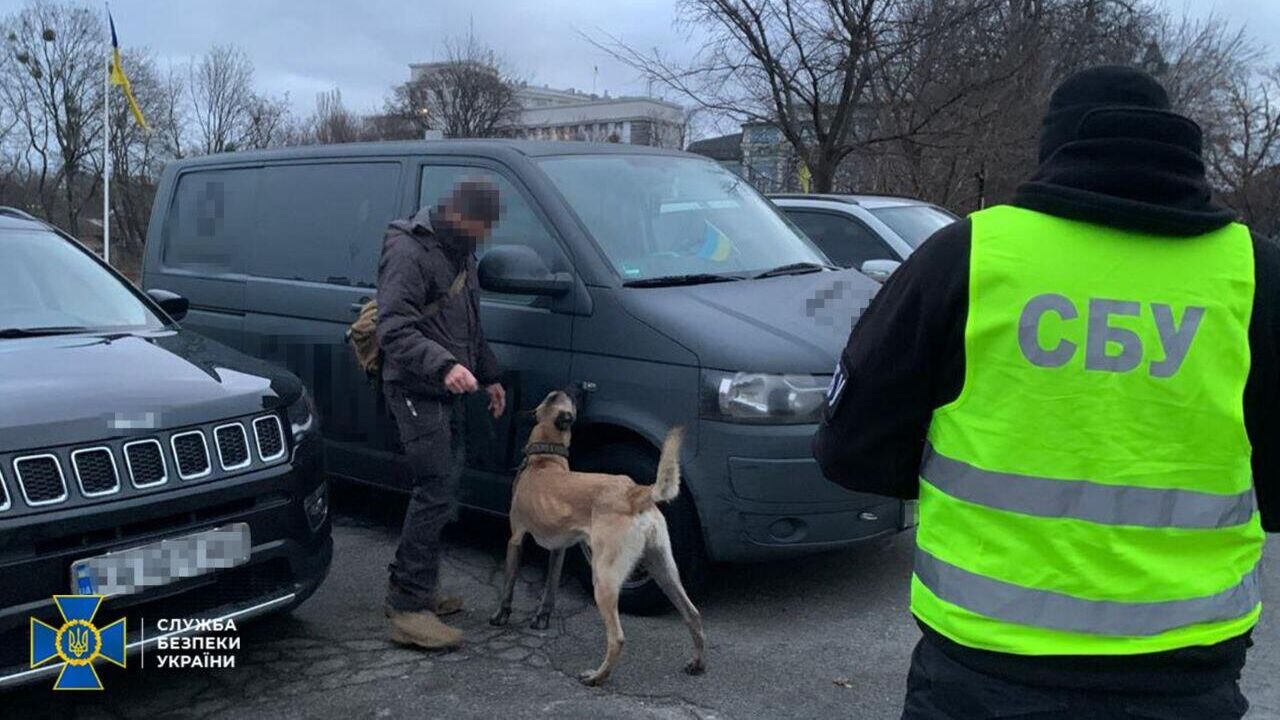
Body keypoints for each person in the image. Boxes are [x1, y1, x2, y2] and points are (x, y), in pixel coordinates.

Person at [813, 65, 1277, 719]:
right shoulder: (1256, 273)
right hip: (1184, 674)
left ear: (1054, 149)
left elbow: (851, 451)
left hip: (986, 671)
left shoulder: (966, 257)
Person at [377, 179, 507, 650]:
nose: (485, 236)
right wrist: (445, 364)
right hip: (414, 386)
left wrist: (489, 375)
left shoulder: (459, 250)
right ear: (457, 214)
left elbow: (469, 321)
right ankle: (408, 607)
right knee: (434, 489)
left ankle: (418, 589)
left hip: (447, 386)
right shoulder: (410, 251)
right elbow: (393, 328)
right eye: (481, 225)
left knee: (446, 487)